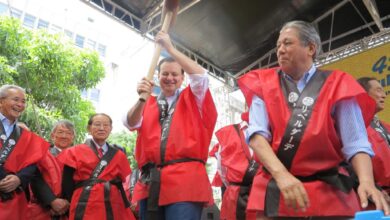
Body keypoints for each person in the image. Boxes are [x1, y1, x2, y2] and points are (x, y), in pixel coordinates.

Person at [237, 20, 390, 219]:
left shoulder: (339, 83)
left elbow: (356, 142)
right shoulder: (263, 83)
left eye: (287, 43)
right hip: (278, 184)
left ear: (310, 48)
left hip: (330, 187)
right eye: (278, 46)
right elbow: (257, 136)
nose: (280, 50)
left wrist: (367, 181)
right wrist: (282, 175)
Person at [123, 30, 217, 220]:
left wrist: (170, 49)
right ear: (158, 77)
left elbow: (201, 76)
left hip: (185, 180)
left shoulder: (194, 98)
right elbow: (130, 122)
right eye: (165, 74)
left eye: (175, 74)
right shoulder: (147, 102)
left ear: (182, 78)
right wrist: (141, 97)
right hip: (151, 181)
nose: (170, 78)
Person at [58, 113, 134, 220]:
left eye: (106, 125)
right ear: (89, 128)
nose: (102, 128)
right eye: (97, 124)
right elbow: (67, 182)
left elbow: (121, 182)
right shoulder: (73, 152)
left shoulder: (119, 155)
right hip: (83, 201)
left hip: (112, 202)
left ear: (110, 129)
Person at [0, 84, 50, 219]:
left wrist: (19, 178)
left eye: (23, 101)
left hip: (14, 197)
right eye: (15, 100)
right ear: (1, 101)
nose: (20, 104)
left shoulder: (25, 134)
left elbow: (32, 164)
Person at [28, 120, 76, 220]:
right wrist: (51, 201)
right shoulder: (43, 154)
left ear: (73, 137)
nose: (64, 136)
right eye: (60, 132)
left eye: (68, 133)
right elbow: (35, 179)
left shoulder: (78, 157)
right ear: (52, 135)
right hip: (45, 208)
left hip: (71, 209)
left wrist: (68, 202)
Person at [215, 112, 258, 220]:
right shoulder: (228, 132)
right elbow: (221, 169)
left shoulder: (275, 129)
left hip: (264, 194)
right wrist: (234, 185)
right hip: (235, 195)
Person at [357, 77, 390, 196]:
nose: (384, 95)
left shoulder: (385, 127)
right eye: (378, 90)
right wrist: (377, 190)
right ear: (364, 95)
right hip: (377, 194)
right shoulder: (356, 127)